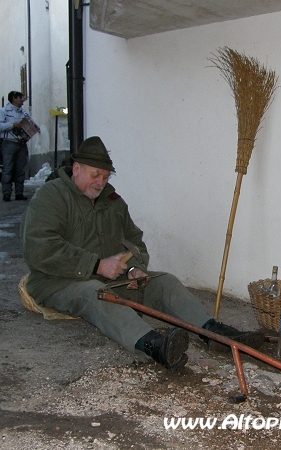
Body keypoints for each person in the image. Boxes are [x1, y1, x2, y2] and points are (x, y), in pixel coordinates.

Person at [21, 136, 264, 370]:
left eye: (105, 176)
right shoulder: (51, 196)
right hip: (57, 281)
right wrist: (96, 265)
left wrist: (134, 268)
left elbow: (133, 241)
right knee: (97, 294)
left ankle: (213, 332)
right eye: (95, 175)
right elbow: (40, 247)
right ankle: (155, 346)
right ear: (76, 169)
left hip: (107, 278)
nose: (100, 182)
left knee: (164, 282)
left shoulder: (113, 201)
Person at [0, 91, 31, 202]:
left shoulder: (24, 113)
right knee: (8, 168)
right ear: (14, 98)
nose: (22, 99)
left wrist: (28, 134)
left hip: (21, 144)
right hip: (9, 143)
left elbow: (29, 125)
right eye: (20, 97)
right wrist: (12, 125)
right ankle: (7, 193)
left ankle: (19, 193)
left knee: (20, 170)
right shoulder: (3, 111)